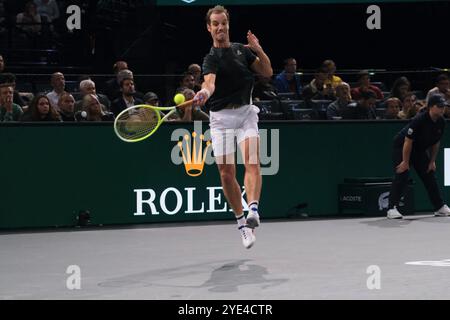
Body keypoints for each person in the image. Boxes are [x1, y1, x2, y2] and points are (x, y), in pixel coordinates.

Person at [193, 5, 273, 249]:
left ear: (228, 24)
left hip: (246, 113)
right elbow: (210, 83)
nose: (220, 27)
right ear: (209, 28)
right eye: (215, 24)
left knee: (252, 162)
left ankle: (254, 210)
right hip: (221, 119)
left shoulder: (241, 50)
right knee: (226, 174)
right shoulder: (210, 59)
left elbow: (267, 72)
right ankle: (241, 224)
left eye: (223, 23)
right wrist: (204, 92)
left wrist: (258, 49)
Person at [387, 93, 450, 219]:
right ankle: (391, 208)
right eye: (440, 106)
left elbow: (436, 142)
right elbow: (408, 141)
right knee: (402, 174)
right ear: (431, 107)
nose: (443, 109)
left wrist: (432, 161)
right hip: (402, 146)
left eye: (444, 106)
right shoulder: (419, 120)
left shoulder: (441, 122)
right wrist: (405, 162)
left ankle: (439, 207)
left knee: (429, 175)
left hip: (419, 150)